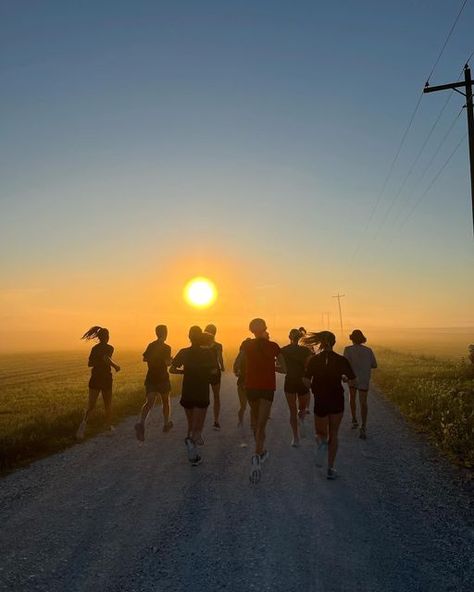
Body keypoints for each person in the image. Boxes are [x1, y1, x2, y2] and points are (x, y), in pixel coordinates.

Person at [302, 331, 355, 480]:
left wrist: (313, 388)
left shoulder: (313, 360)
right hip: (337, 399)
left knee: (320, 432)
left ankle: (321, 444)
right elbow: (353, 380)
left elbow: (305, 381)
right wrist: (344, 379)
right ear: (334, 342)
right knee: (334, 433)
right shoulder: (341, 360)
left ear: (320, 343)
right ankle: (330, 469)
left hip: (320, 400)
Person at [240, 318, 286, 484]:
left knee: (255, 419)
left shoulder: (246, 345)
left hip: (251, 386)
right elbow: (284, 368)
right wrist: (271, 367)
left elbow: (239, 363)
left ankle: (261, 450)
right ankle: (257, 455)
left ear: (251, 330)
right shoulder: (273, 346)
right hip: (267, 387)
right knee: (262, 423)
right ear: (265, 328)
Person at [169, 326, 217, 466]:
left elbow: (172, 369)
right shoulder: (208, 353)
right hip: (201, 392)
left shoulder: (184, 352)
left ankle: (194, 455)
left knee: (191, 424)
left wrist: (184, 373)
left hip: (187, 391)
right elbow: (214, 371)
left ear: (189, 337)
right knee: (198, 427)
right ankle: (192, 444)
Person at [76, 326, 120, 440]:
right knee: (108, 404)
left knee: (91, 405)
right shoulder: (110, 348)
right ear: (107, 337)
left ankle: (82, 427)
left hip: (95, 378)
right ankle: (109, 427)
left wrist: (98, 361)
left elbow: (89, 364)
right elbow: (106, 358)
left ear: (99, 337)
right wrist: (115, 366)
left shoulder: (94, 348)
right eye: (108, 336)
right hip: (105, 378)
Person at [134, 325, 173, 442]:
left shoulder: (151, 345)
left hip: (151, 377)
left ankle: (141, 423)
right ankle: (166, 424)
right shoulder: (167, 347)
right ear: (165, 333)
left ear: (156, 333)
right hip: (162, 378)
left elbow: (144, 359)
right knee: (165, 402)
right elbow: (167, 363)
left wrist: (153, 359)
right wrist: (170, 360)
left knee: (149, 402)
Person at [343, 330, 377, 440]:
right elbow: (374, 365)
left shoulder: (347, 350)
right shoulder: (368, 350)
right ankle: (363, 426)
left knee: (352, 398)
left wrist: (345, 376)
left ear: (351, 338)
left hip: (352, 378)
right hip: (364, 379)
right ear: (362, 339)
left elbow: (345, 365)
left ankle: (354, 420)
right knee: (363, 403)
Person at [280, 329, 312, 447]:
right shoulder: (305, 350)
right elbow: (309, 366)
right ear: (300, 338)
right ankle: (302, 421)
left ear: (289, 337)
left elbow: (281, 368)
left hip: (290, 381)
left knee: (292, 411)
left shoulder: (283, 350)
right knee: (302, 408)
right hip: (302, 381)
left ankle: (295, 438)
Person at [204, 324, 225, 430]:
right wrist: (223, 367)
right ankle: (216, 420)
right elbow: (220, 358)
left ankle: (200, 419)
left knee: (203, 396)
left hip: (203, 372)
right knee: (216, 396)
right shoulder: (218, 346)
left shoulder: (200, 345)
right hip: (215, 371)